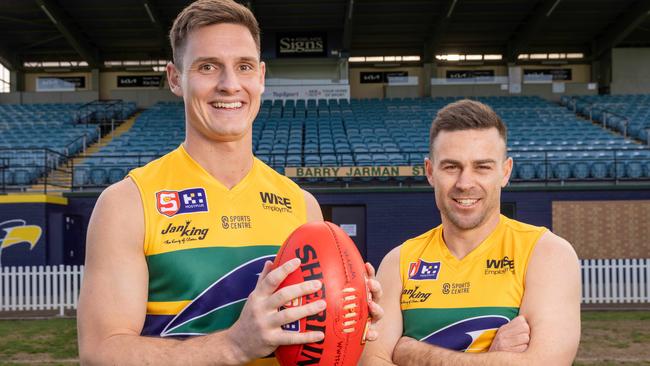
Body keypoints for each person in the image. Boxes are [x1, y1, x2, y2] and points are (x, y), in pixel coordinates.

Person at [77, 1, 381, 364]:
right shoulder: (129, 203)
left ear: (262, 76)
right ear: (175, 78)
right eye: (208, 67)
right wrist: (234, 345)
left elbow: (312, 341)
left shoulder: (301, 205)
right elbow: (100, 352)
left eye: (244, 67)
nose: (229, 85)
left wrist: (347, 315)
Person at [360, 99, 581, 365]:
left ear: (505, 172)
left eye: (482, 167)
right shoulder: (399, 262)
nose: (465, 183)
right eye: (451, 167)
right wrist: (491, 356)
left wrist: (413, 353)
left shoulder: (546, 253)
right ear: (430, 172)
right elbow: (372, 362)